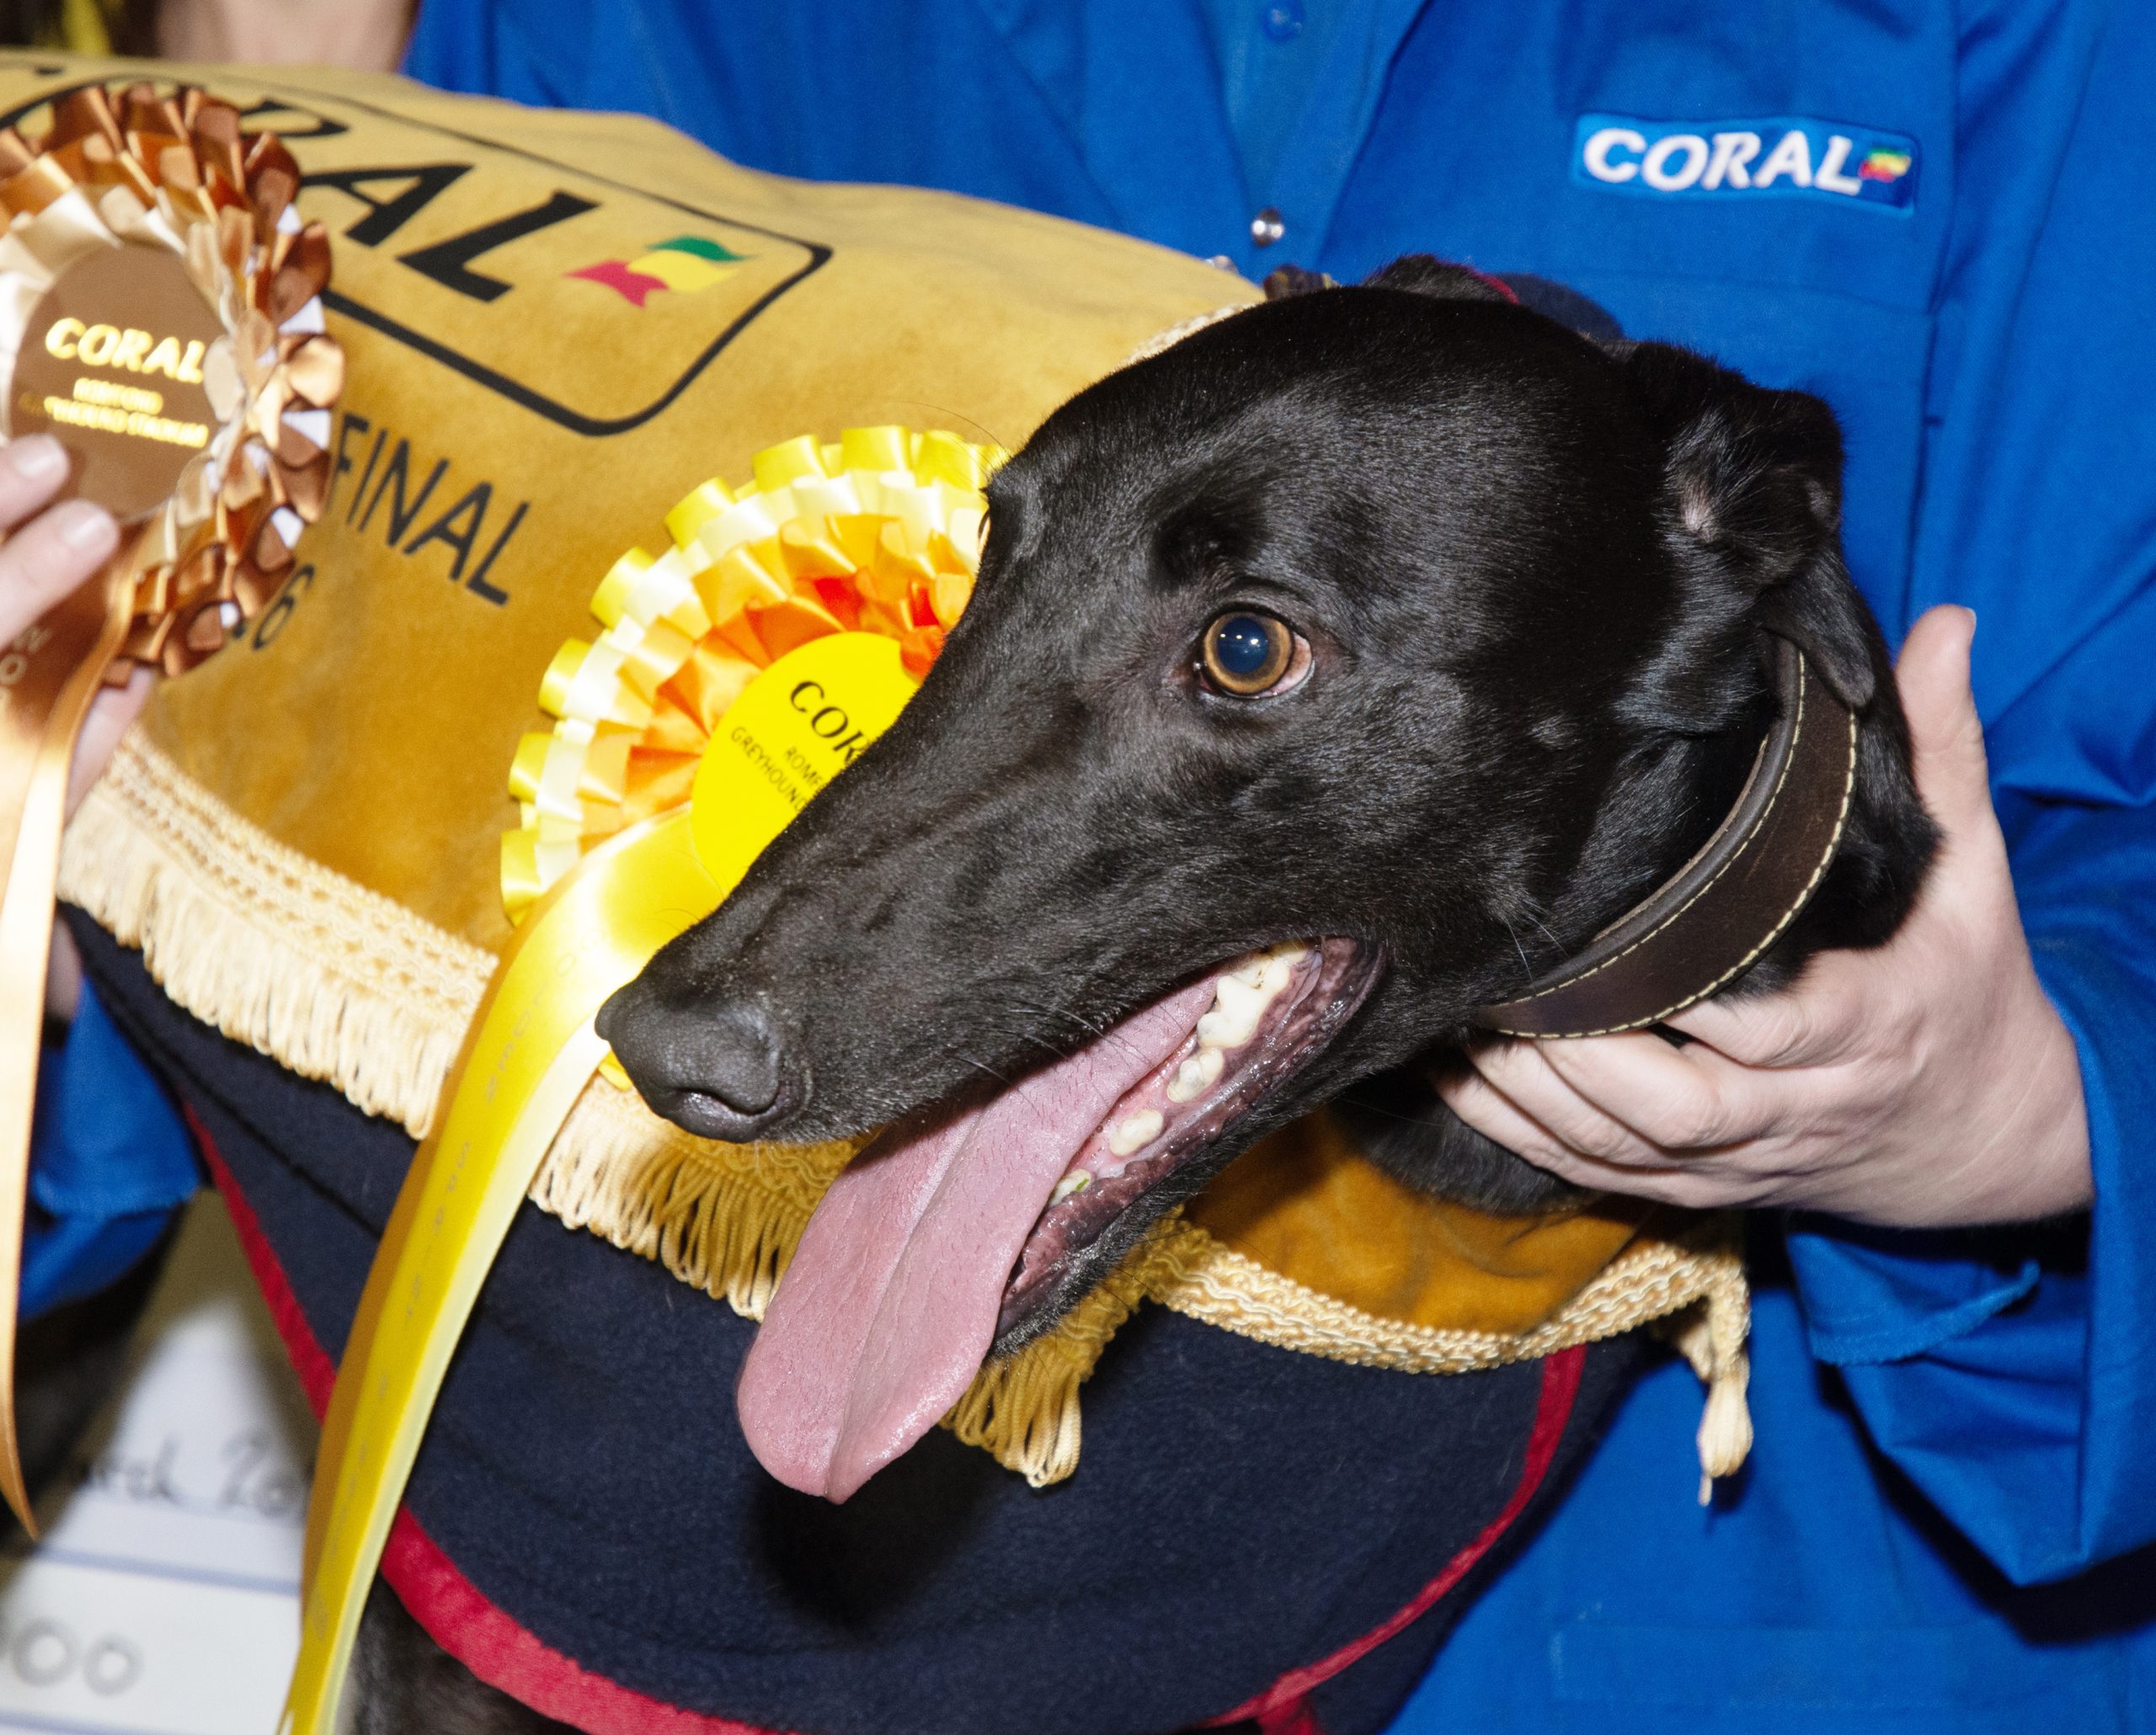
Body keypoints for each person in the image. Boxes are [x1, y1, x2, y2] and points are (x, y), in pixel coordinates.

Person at [16, 2, 2155, 1726]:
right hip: (640, 1563)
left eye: (1243, 656)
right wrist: (62, 802)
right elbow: (383, 724)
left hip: (1699, 1618)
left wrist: (2019, 1118)